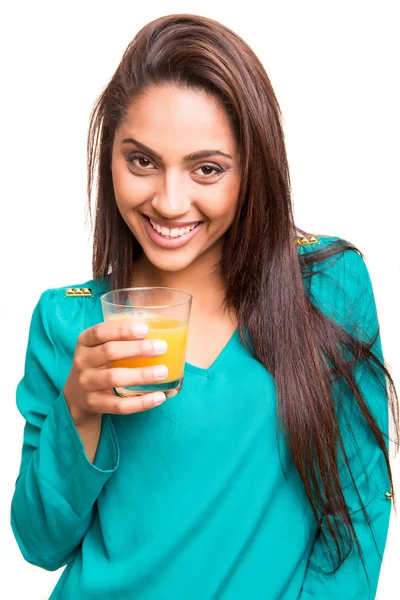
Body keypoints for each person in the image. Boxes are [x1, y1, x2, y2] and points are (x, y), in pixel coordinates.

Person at [11, 13, 398, 600]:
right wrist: (79, 410)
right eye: (141, 161)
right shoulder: (67, 320)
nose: (169, 201)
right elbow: (41, 544)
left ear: (254, 169)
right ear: (108, 156)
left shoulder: (328, 285)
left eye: (207, 168)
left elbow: (359, 514)